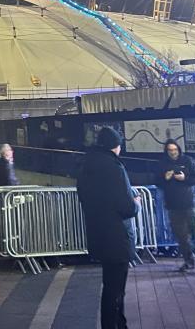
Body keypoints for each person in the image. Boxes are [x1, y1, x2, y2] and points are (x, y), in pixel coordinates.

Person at [77, 127, 139, 329]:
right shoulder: (115, 168)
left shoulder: (86, 166)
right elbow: (127, 207)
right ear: (116, 146)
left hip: (98, 235)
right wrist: (137, 202)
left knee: (110, 286)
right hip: (117, 238)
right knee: (116, 290)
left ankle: (119, 325)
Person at [155, 141, 195, 273]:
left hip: (188, 204)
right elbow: (156, 181)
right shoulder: (162, 164)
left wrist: (185, 178)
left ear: (179, 149)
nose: (173, 152)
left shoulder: (188, 161)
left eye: (175, 149)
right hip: (172, 206)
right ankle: (189, 261)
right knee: (181, 237)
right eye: (170, 150)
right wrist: (165, 178)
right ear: (166, 151)